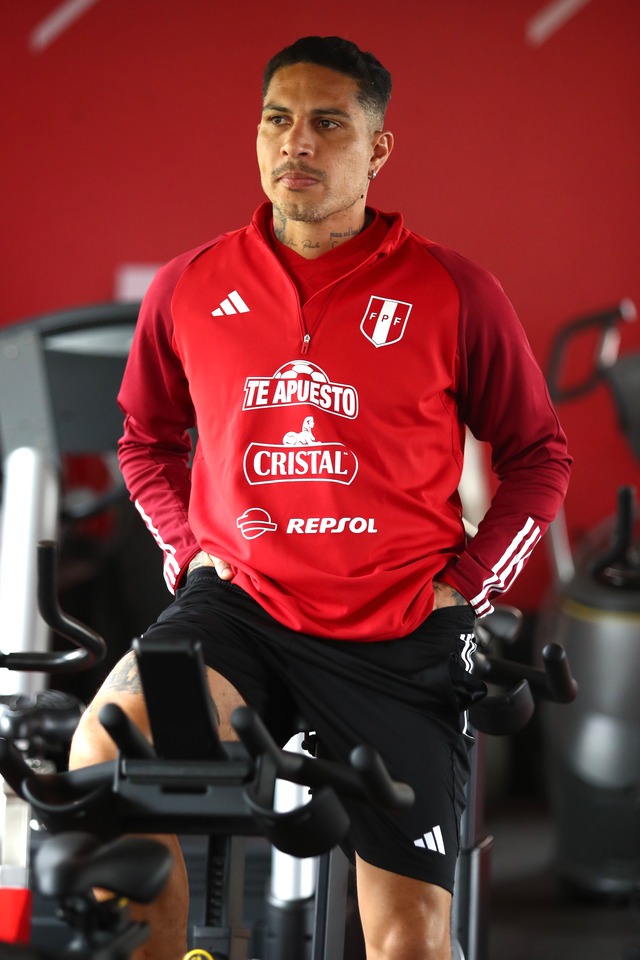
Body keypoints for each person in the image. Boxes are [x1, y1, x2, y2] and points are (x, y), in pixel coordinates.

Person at [69, 35, 571, 960]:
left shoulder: (455, 291)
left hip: (398, 637)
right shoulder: (191, 285)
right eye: (277, 119)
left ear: (377, 148)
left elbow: (539, 454)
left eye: (327, 123)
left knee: (412, 940)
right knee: (102, 765)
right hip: (241, 614)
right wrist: (187, 550)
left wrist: (470, 584)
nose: (295, 143)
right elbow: (144, 441)